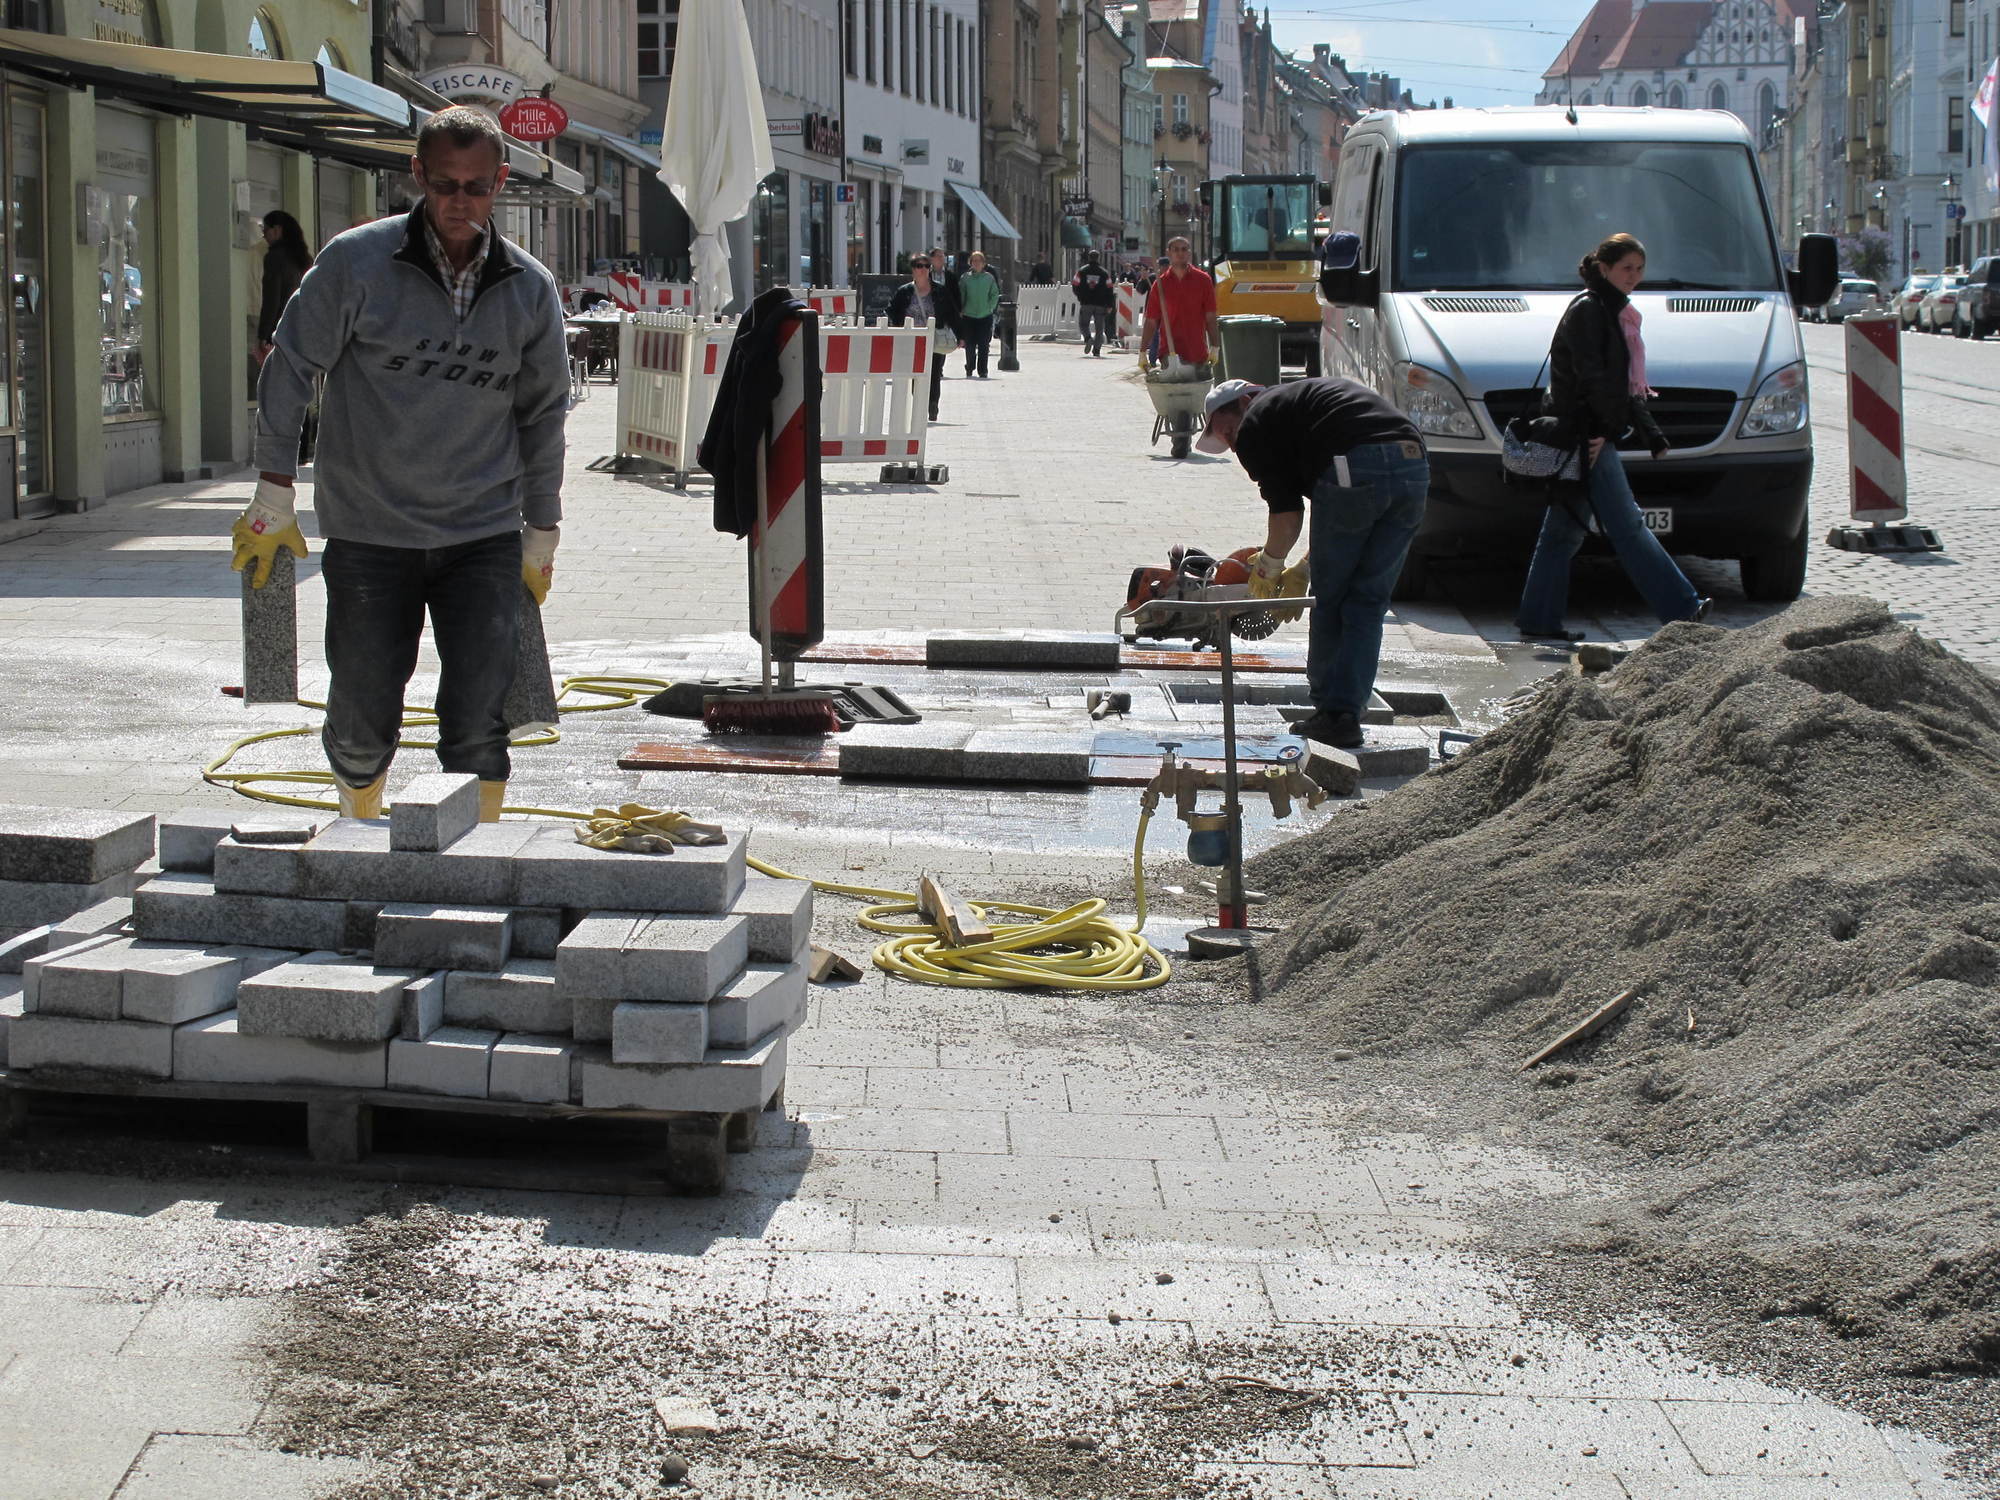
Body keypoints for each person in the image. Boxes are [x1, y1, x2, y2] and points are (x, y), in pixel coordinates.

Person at [234, 105, 571, 822]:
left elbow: (542, 416)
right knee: (361, 714)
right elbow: (292, 365)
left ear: (499, 184)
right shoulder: (358, 263)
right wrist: (273, 487)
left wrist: (541, 529)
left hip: (481, 535)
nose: (459, 201)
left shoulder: (528, 289)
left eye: (476, 187)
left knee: (482, 719)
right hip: (369, 535)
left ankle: (472, 863)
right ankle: (360, 818)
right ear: (417, 174)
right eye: (444, 183)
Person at [1196, 376, 1429, 750]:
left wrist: (1269, 564)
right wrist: (1303, 567)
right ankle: (1348, 714)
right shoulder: (1302, 407)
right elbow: (1339, 508)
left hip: (1355, 463)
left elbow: (1288, 515)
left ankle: (1332, 714)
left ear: (1243, 403)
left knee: (1329, 600)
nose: (1230, 442)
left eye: (1224, 430)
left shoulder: (1257, 423)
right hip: (1412, 465)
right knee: (1367, 602)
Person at [1515, 232, 1709, 642]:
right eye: (1626, 268)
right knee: (1628, 526)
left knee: (1563, 531)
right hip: (1585, 436)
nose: (1634, 277)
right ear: (1604, 268)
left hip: (1587, 432)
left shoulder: (1611, 309)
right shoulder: (1592, 310)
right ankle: (1683, 609)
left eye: (1639, 269)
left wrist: (1651, 435)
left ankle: (1538, 619)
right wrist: (1604, 431)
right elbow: (1592, 379)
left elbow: (1623, 385)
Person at [888, 253, 961, 422]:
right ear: (913, 269)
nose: (923, 270)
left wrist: (960, 335)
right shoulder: (904, 291)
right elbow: (892, 310)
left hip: (933, 338)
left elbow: (952, 313)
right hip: (911, 339)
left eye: (926, 266)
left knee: (934, 372)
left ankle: (932, 403)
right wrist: (896, 327)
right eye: (919, 266)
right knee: (916, 372)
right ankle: (920, 403)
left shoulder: (940, 290)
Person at [1139, 236, 1218, 367]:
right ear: (1168, 252)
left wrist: (1215, 346)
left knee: (1194, 387)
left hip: (1197, 352)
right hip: (1169, 353)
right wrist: (1142, 351)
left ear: (1189, 253)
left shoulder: (1203, 280)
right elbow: (1151, 321)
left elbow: (1210, 316)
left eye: (1184, 249)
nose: (1180, 253)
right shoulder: (1160, 284)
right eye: (1176, 250)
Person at [256, 211, 312, 356]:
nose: (264, 236)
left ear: (277, 230)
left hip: (281, 330)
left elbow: (271, 299)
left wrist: (264, 334)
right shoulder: (305, 259)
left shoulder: (275, 258)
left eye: (265, 231)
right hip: (302, 329)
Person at [957, 249, 1001, 377]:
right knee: (969, 345)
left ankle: (983, 370)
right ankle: (970, 366)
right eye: (974, 261)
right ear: (970, 263)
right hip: (969, 316)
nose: (976, 263)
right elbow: (961, 295)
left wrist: (990, 308)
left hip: (985, 316)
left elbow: (994, 295)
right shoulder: (965, 278)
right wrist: (961, 309)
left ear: (983, 263)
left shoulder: (989, 278)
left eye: (979, 261)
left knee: (983, 345)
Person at [1072, 250, 1116, 356]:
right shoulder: (1104, 273)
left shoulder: (1082, 271)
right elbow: (1110, 289)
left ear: (1089, 258)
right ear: (1098, 258)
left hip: (1086, 303)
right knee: (1099, 328)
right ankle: (1097, 350)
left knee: (1083, 324)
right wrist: (1110, 304)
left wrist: (1080, 296)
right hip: (1101, 304)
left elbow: (1075, 284)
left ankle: (1088, 339)